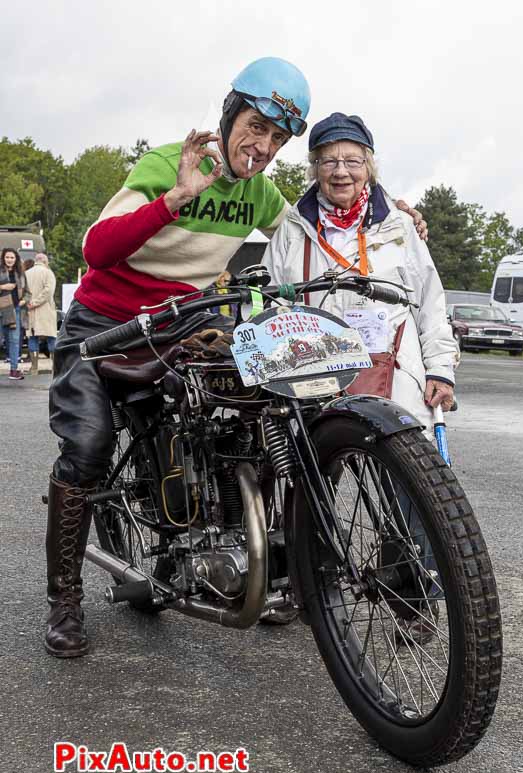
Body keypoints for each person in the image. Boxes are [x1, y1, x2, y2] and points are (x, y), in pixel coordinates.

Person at [45, 59, 428, 659]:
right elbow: (96, 248)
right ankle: (64, 600)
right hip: (103, 324)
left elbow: (317, 228)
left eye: (277, 138)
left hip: (181, 325)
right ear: (229, 116)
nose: (263, 145)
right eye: (256, 127)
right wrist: (176, 196)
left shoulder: (261, 194)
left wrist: (391, 212)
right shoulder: (169, 161)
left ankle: (261, 559)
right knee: (88, 447)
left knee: (252, 412)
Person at [262, 112, 458, 434]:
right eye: (328, 162)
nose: (341, 172)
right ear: (314, 170)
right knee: (315, 477)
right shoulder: (292, 229)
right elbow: (268, 303)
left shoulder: (399, 226)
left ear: (368, 167)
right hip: (315, 379)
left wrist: (440, 370)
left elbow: (430, 305)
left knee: (405, 478)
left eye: (352, 161)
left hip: (395, 379)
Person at [0, 248, 30, 380]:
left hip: (16, 310)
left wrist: (24, 301)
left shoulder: (21, 273)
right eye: (7, 257)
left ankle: (14, 370)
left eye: (12, 257)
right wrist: (2, 287)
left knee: (14, 341)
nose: (10, 260)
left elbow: (28, 292)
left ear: (16, 259)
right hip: (1, 310)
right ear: (3, 258)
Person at [25, 253, 57, 376]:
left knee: (32, 337)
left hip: (30, 309)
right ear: (45, 261)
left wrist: (30, 302)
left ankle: (34, 368)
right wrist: (37, 302)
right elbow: (49, 291)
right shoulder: (48, 272)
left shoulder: (27, 273)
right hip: (46, 310)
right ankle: (55, 367)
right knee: (51, 337)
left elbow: (23, 291)